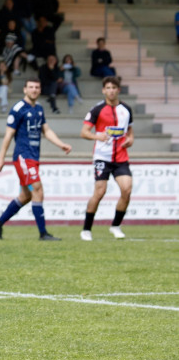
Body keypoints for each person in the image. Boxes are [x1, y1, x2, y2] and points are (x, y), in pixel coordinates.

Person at [0, 78, 72, 241]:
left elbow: (46, 131)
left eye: (37, 87)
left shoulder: (39, 108)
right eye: (31, 87)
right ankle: (43, 233)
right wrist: (0, 158)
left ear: (40, 90)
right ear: (25, 90)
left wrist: (61, 144)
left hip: (33, 157)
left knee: (26, 196)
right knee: (38, 189)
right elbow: (8, 134)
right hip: (23, 157)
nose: (34, 89)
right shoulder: (18, 108)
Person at [79, 76, 133, 241]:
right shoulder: (97, 110)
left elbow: (129, 132)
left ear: (118, 90)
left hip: (121, 157)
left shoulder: (126, 109)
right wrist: (98, 136)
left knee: (127, 189)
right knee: (100, 192)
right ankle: (86, 229)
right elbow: (84, 132)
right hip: (102, 157)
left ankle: (116, 226)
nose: (111, 90)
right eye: (108, 88)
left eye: (113, 88)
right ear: (103, 90)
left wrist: (130, 140)